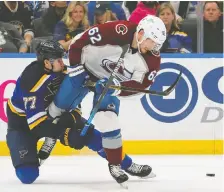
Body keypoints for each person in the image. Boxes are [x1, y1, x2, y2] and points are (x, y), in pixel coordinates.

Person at [6, 40, 154, 184]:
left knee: (91, 135)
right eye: (58, 60)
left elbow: (74, 99)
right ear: (46, 62)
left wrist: (75, 114)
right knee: (27, 176)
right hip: (23, 125)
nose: (63, 63)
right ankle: (35, 149)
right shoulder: (31, 79)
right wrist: (66, 134)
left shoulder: (62, 70)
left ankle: (127, 164)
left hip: (53, 117)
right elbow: (37, 125)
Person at [49, 15, 166, 185]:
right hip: (84, 70)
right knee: (55, 111)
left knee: (107, 119)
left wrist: (118, 88)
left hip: (107, 83)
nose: (155, 47)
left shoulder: (152, 60)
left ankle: (116, 164)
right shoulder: (119, 30)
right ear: (140, 34)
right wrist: (75, 67)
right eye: (152, 41)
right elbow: (79, 40)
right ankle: (45, 144)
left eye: (158, 44)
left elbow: (139, 88)